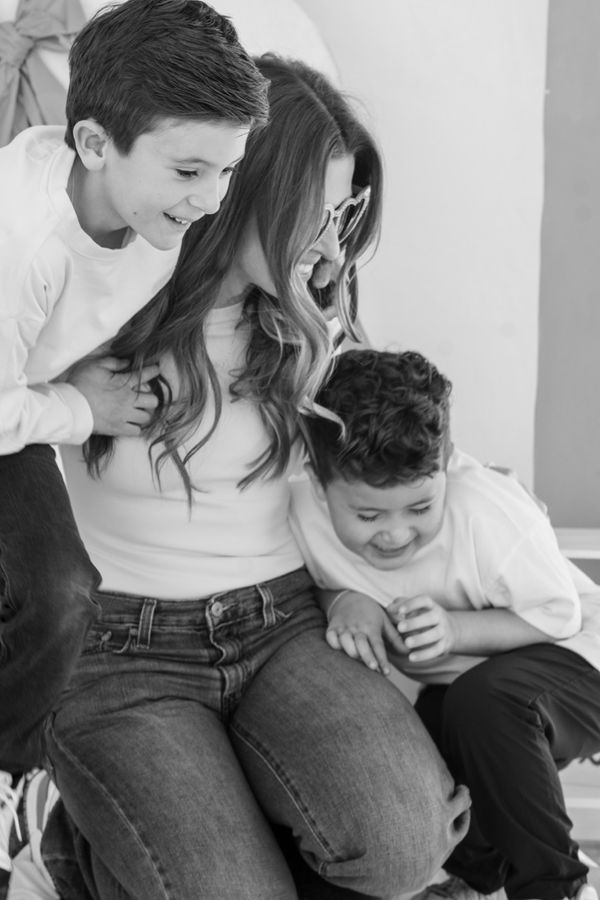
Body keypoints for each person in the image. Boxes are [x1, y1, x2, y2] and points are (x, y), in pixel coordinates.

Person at [25, 57, 473, 900]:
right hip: (120, 655)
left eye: (345, 211)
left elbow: (390, 451)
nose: (331, 238)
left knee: (406, 848)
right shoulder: (97, 296)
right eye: (317, 210)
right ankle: (80, 839)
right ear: (244, 186)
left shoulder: (307, 319)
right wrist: (67, 403)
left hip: (282, 624)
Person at [0, 0, 268, 786]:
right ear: (93, 144)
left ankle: (14, 780)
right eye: (190, 172)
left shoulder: (148, 202)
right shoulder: (24, 244)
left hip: (22, 395)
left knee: (61, 593)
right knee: (57, 591)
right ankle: (15, 769)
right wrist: (86, 407)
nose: (212, 199)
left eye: (227, 169)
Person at [291, 347, 600, 900]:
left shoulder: (484, 511)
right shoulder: (300, 514)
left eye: (419, 508)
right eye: (367, 516)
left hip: (580, 660)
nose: (395, 535)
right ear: (318, 482)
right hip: (471, 694)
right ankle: (471, 881)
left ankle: (558, 886)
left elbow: (559, 614)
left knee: (481, 702)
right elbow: (302, 581)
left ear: (447, 463)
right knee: (420, 769)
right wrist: (339, 600)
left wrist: (456, 630)